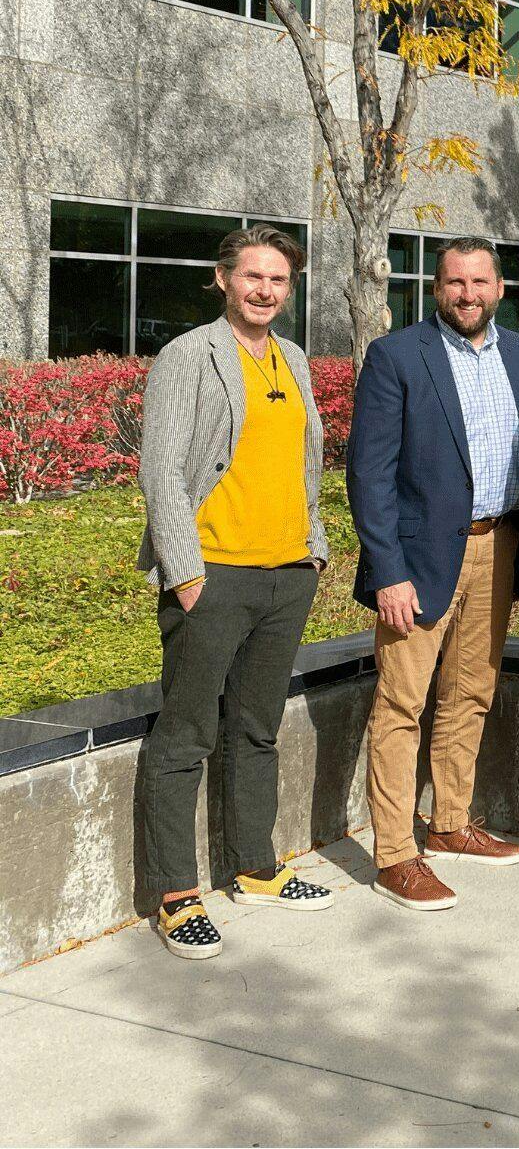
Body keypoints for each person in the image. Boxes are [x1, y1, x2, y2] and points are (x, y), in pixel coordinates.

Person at [136, 225, 333, 959]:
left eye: (278, 279)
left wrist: (312, 550)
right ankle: (174, 893)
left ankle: (254, 866)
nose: (264, 290)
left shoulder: (295, 359)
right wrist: (187, 576)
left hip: (285, 577)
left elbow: (307, 463)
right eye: (252, 276)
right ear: (223, 279)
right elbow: (162, 474)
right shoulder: (188, 356)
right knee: (186, 735)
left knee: (256, 727)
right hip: (213, 576)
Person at [348, 236, 519, 912]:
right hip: (420, 559)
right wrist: (387, 572)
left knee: (471, 693)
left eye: (479, 282)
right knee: (402, 704)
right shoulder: (397, 355)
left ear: (500, 288)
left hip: (498, 544)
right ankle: (396, 853)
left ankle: (451, 822)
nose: (468, 294)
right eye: (455, 283)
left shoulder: (515, 352)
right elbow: (367, 472)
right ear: (437, 289)